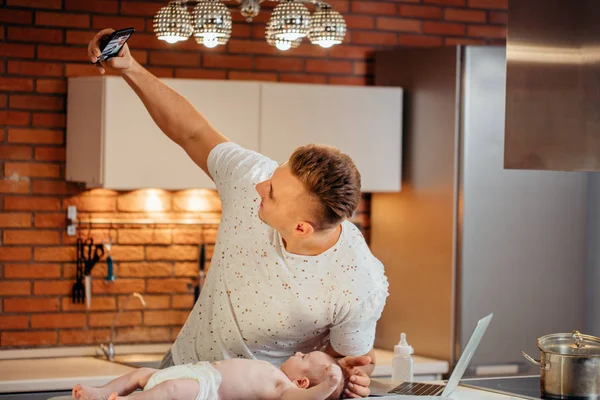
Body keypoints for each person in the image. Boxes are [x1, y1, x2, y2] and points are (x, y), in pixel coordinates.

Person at [87, 28, 389, 398]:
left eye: (273, 194)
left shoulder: (359, 282)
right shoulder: (252, 178)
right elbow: (192, 132)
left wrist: (351, 375)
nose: (260, 188)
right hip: (183, 374)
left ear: (301, 227)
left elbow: (352, 358)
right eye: (273, 176)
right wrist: (129, 67)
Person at [72, 351, 344, 400]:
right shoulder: (274, 371)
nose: (297, 354)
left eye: (304, 359)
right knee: (142, 374)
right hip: (199, 371)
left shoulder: (284, 389)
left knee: (172, 390)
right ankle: (99, 392)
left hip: (207, 390)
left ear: (302, 382)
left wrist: (329, 384)